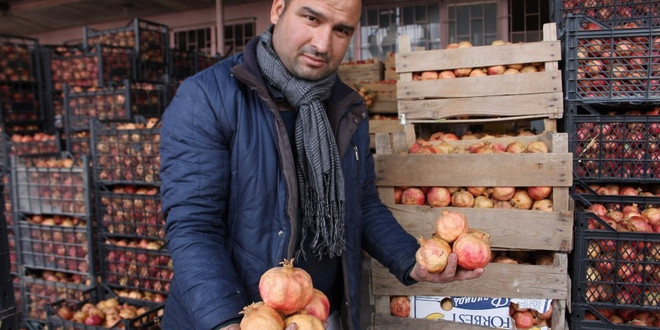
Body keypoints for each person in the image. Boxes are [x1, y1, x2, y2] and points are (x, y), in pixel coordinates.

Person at [159, 0, 484, 329]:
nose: (322, 44)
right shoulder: (206, 99)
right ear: (278, 9)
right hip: (236, 318)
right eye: (312, 18)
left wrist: (411, 262)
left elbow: (362, 205)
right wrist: (226, 320)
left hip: (317, 316)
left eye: (341, 30)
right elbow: (194, 228)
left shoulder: (346, 107)